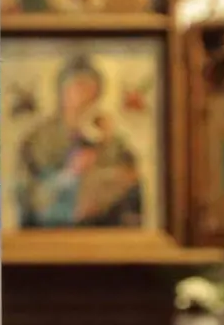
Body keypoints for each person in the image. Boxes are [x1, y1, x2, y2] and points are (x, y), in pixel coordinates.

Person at [16, 55, 143, 228]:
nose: (83, 98)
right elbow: (27, 197)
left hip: (104, 233)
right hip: (50, 234)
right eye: (77, 88)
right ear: (61, 93)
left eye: (90, 90)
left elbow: (132, 189)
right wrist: (69, 173)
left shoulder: (115, 143)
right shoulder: (38, 141)